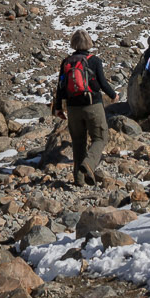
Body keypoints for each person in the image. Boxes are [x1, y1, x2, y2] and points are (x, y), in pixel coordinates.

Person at [50, 30, 115, 186]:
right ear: (89, 43)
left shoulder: (66, 62)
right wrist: (113, 95)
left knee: (78, 142)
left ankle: (79, 180)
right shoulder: (94, 61)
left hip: (73, 108)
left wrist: (58, 107)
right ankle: (89, 164)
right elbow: (103, 83)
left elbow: (60, 87)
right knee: (100, 138)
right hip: (93, 104)